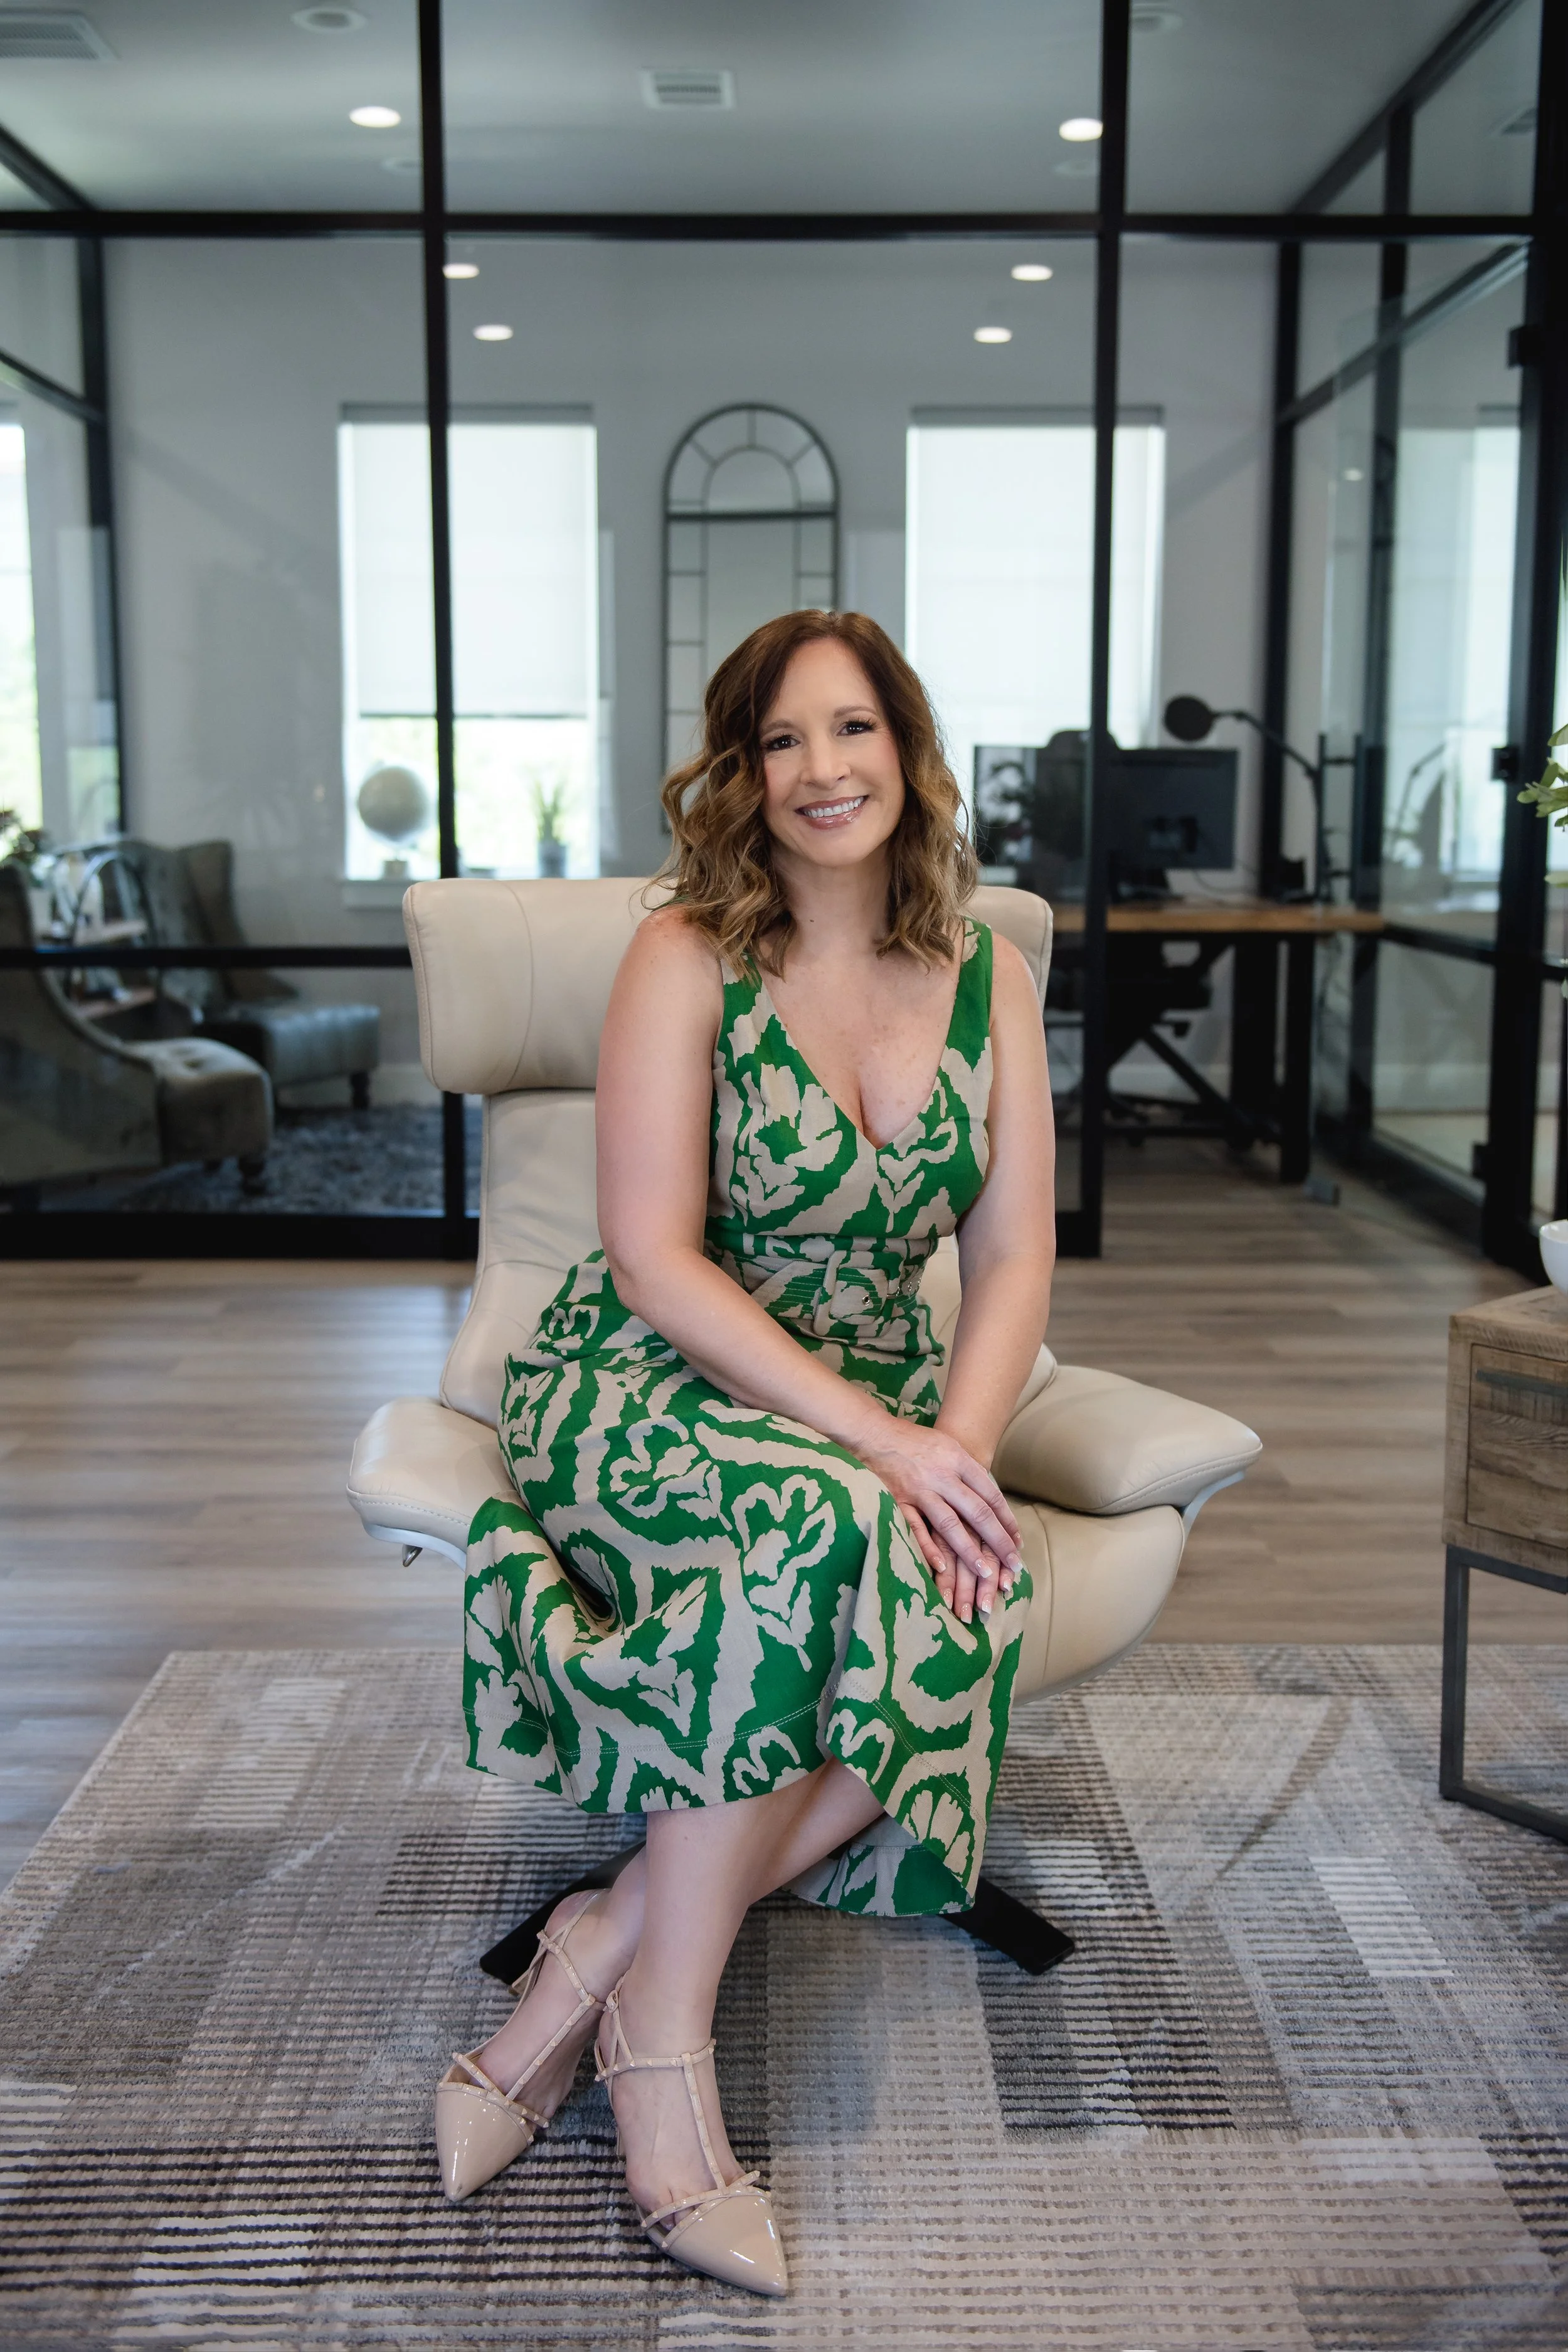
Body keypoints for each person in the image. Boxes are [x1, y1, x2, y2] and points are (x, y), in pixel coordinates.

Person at [436, 610, 1056, 2297]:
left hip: (872, 1397)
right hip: (648, 1376)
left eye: (849, 728)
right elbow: (655, 1257)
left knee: (964, 1587)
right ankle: (667, 2058)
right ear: (741, 769)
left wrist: (961, 1455)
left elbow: (1010, 1261)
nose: (819, 768)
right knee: (817, 1537)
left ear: (907, 753)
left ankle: (598, 1952)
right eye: (780, 739)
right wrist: (884, 1448)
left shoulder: (989, 969)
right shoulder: (684, 954)